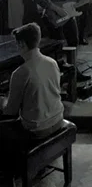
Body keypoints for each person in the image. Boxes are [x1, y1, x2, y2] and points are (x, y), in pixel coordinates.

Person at [0, 23, 64, 161]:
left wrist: (3, 101)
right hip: (58, 119)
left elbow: (10, 112)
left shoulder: (21, 72)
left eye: (17, 44)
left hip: (36, 130)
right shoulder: (52, 62)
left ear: (22, 44)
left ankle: (9, 168)